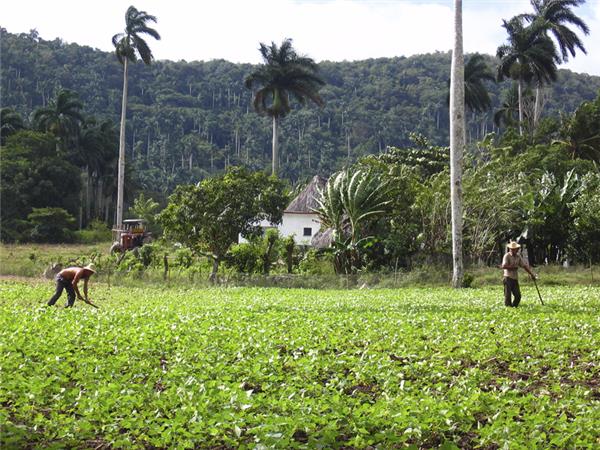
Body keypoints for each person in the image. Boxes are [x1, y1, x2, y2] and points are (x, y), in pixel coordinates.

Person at [501, 241, 536, 307]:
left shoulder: (518, 256)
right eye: (514, 249)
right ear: (511, 249)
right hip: (507, 278)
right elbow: (503, 266)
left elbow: (524, 266)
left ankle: (514, 307)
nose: (516, 250)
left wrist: (531, 274)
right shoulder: (507, 256)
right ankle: (509, 309)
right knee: (508, 296)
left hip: (515, 278)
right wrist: (513, 267)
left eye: (517, 249)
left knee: (518, 296)